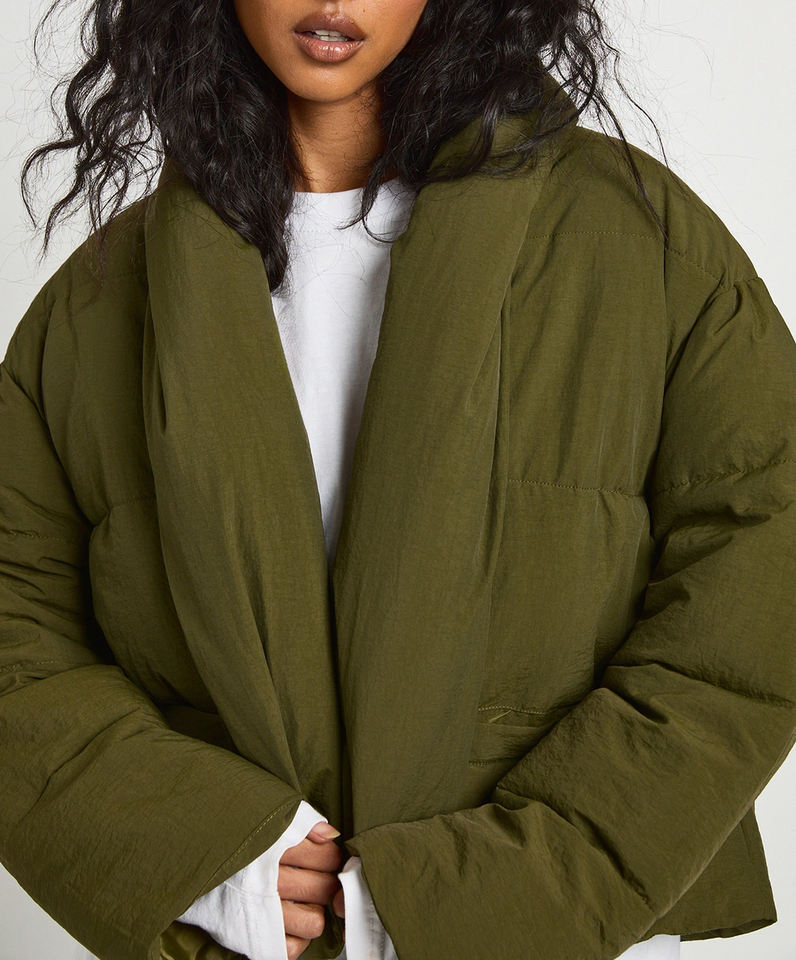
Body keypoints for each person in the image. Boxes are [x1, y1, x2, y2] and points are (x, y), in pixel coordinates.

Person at [1, 1, 794, 960]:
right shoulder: (94, 306)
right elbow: (15, 632)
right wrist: (207, 856)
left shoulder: (641, 240)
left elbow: (759, 584)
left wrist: (487, 887)